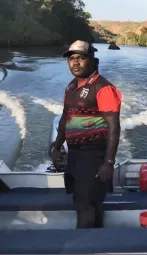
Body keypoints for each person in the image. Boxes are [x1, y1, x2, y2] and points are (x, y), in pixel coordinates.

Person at [51, 40, 122, 228]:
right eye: (71, 58)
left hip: (94, 155)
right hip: (74, 153)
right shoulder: (71, 86)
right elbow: (65, 118)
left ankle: (81, 246)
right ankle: (96, 241)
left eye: (81, 58)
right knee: (91, 202)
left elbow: (114, 127)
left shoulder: (103, 88)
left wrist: (108, 162)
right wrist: (57, 146)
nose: (75, 62)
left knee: (84, 205)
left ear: (93, 61)